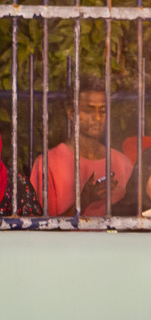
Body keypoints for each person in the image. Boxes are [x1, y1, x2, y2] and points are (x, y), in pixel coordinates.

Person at [29, 77, 135, 216]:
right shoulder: (47, 164)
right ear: (72, 114)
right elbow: (41, 230)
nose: (97, 118)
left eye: (102, 110)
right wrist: (84, 201)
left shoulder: (122, 163)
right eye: (89, 110)